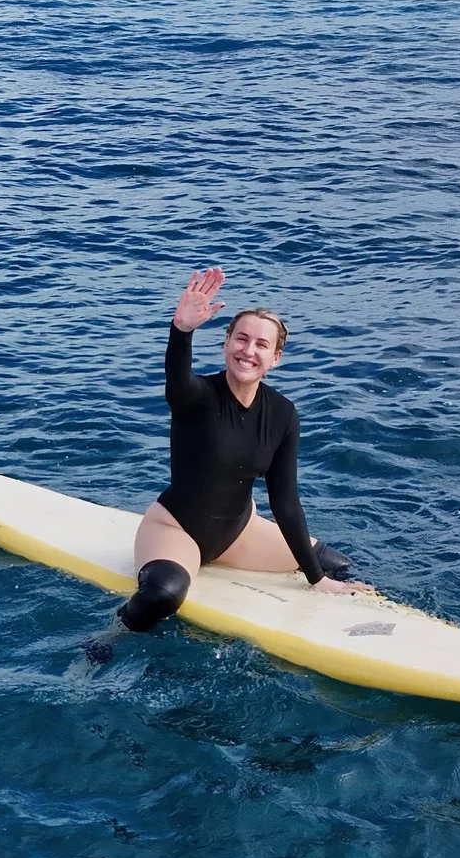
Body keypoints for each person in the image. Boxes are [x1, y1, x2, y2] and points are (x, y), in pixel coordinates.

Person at [105, 268, 370, 640]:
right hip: (175, 529)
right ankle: (104, 639)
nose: (249, 350)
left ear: (275, 358)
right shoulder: (197, 397)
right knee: (163, 595)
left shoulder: (282, 414)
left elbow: (286, 501)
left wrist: (317, 580)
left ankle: (360, 633)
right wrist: (181, 330)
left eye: (262, 344)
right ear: (226, 343)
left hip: (239, 533)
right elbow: (177, 380)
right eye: (240, 339)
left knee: (336, 567)